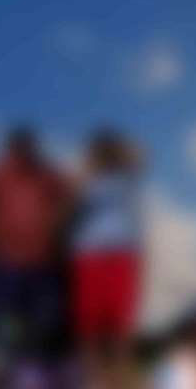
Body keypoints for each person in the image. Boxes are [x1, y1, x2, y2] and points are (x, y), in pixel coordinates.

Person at [0, 127, 72, 359]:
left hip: (41, 260)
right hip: (5, 261)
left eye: (27, 148)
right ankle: (1, 372)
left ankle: (31, 372)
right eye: (19, 149)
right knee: (5, 320)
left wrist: (56, 226)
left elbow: (69, 196)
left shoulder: (46, 176)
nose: (24, 154)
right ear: (11, 150)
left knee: (44, 320)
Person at [70, 129, 145, 350]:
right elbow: (71, 201)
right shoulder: (86, 179)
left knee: (121, 322)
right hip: (90, 253)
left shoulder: (126, 177)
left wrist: (116, 150)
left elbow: (139, 157)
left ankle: (119, 378)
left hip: (122, 252)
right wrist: (90, 163)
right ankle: (94, 379)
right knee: (88, 323)